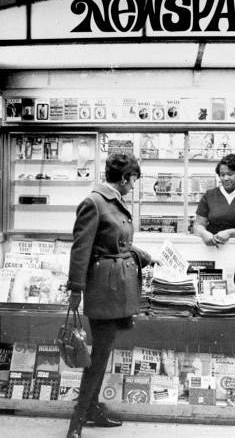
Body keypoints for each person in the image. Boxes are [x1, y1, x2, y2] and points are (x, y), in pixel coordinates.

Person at [66, 154, 152, 438]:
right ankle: (77, 422)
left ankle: (90, 410)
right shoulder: (95, 202)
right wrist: (75, 290)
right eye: (134, 179)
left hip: (116, 287)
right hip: (104, 290)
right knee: (99, 355)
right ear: (126, 178)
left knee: (102, 352)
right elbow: (81, 249)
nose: (134, 185)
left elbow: (119, 243)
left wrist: (145, 256)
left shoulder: (112, 200)